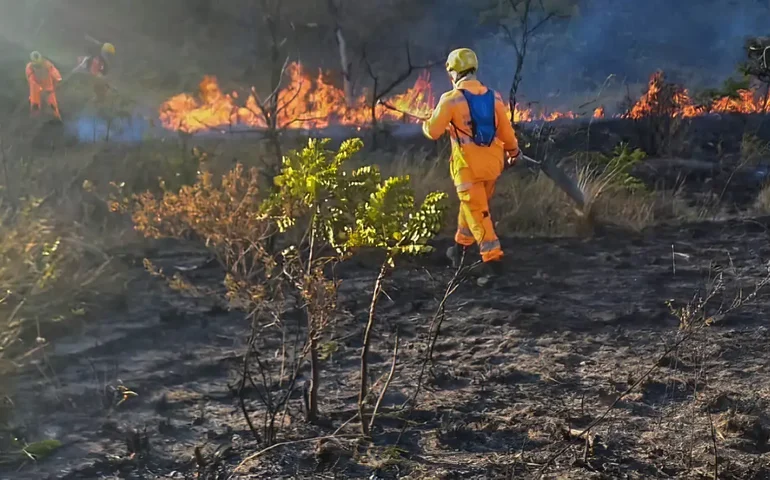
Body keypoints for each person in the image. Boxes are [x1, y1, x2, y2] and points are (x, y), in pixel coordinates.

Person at [422, 48, 521, 284]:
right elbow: (506, 131)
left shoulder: (451, 99)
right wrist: (514, 151)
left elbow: (433, 132)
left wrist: (427, 123)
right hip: (492, 165)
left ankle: (493, 261)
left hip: (468, 168)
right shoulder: (493, 97)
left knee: (478, 212)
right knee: (474, 206)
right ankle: (459, 248)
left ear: (454, 72)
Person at [26, 51, 62, 121]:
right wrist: (39, 89)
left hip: (48, 86)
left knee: (53, 104)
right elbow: (32, 80)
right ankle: (34, 119)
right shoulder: (29, 67)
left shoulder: (47, 64)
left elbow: (53, 71)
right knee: (35, 104)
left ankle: (57, 117)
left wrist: (58, 78)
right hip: (35, 89)